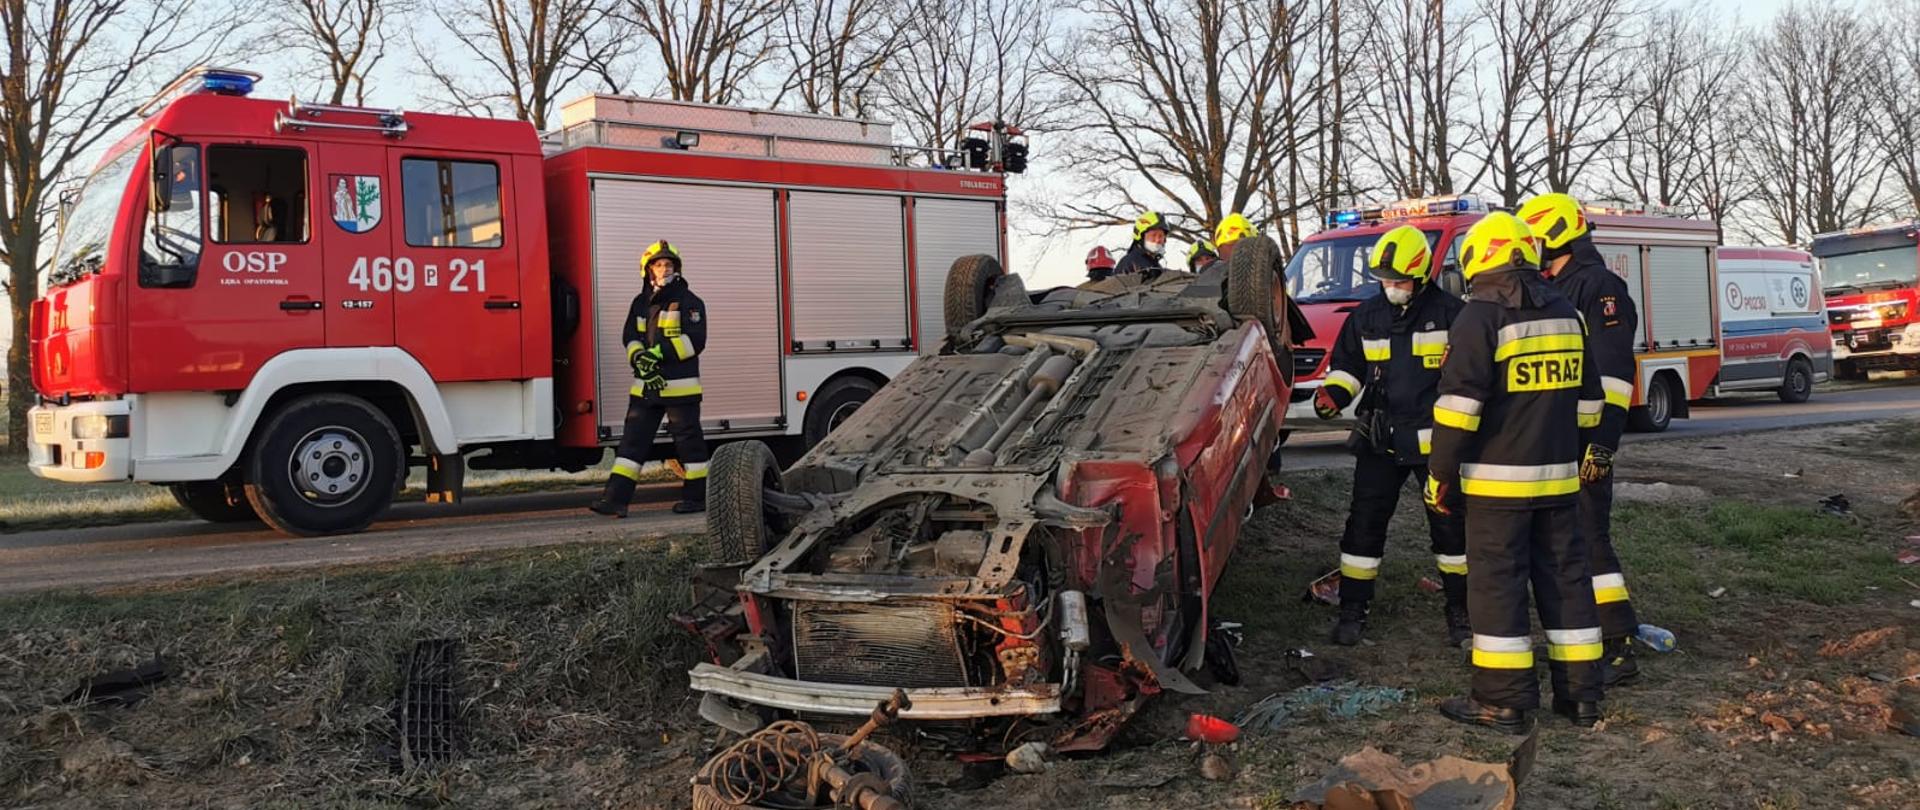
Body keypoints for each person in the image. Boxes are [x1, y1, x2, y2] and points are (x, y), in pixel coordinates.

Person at [1426, 211, 1607, 733]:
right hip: (1558, 481)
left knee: (1497, 588)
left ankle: (1503, 701)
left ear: (1481, 258)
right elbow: (1591, 405)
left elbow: (1458, 413)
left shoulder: (1480, 317)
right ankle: (1581, 698)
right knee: (1568, 581)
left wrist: (1440, 475)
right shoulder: (1568, 313)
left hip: (1495, 487)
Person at [1316, 225, 1469, 648]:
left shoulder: (1454, 314)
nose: (1391, 288)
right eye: (1384, 281)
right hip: (1380, 442)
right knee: (1363, 528)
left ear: (1420, 276)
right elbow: (1348, 368)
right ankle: (1352, 611)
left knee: (1452, 531)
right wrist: (1333, 394)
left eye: (1399, 281)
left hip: (1436, 446)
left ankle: (1462, 614)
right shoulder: (1366, 316)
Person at [1517, 192, 1644, 688]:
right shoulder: (1555, 286)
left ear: (1553, 236)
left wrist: (1604, 442)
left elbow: (1614, 372)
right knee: (1563, 541)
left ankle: (1618, 644)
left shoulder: (1598, 287)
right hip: (1554, 433)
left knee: (1590, 538)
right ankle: (1586, 639)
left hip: (1586, 437)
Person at [591, 241, 711, 517]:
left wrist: (656, 354)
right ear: (648, 270)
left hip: (680, 388)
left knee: (688, 445)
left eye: (669, 264)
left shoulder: (690, 301)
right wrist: (640, 360)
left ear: (676, 269)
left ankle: (697, 498)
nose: (665, 269)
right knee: (632, 442)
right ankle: (615, 500)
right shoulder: (640, 303)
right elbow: (630, 337)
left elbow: (695, 340)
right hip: (646, 386)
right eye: (659, 264)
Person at [1111, 211, 1170, 276]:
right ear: (1141, 237)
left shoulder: (1154, 264)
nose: (1157, 240)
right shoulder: (1130, 263)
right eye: (1153, 235)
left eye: (1161, 236)